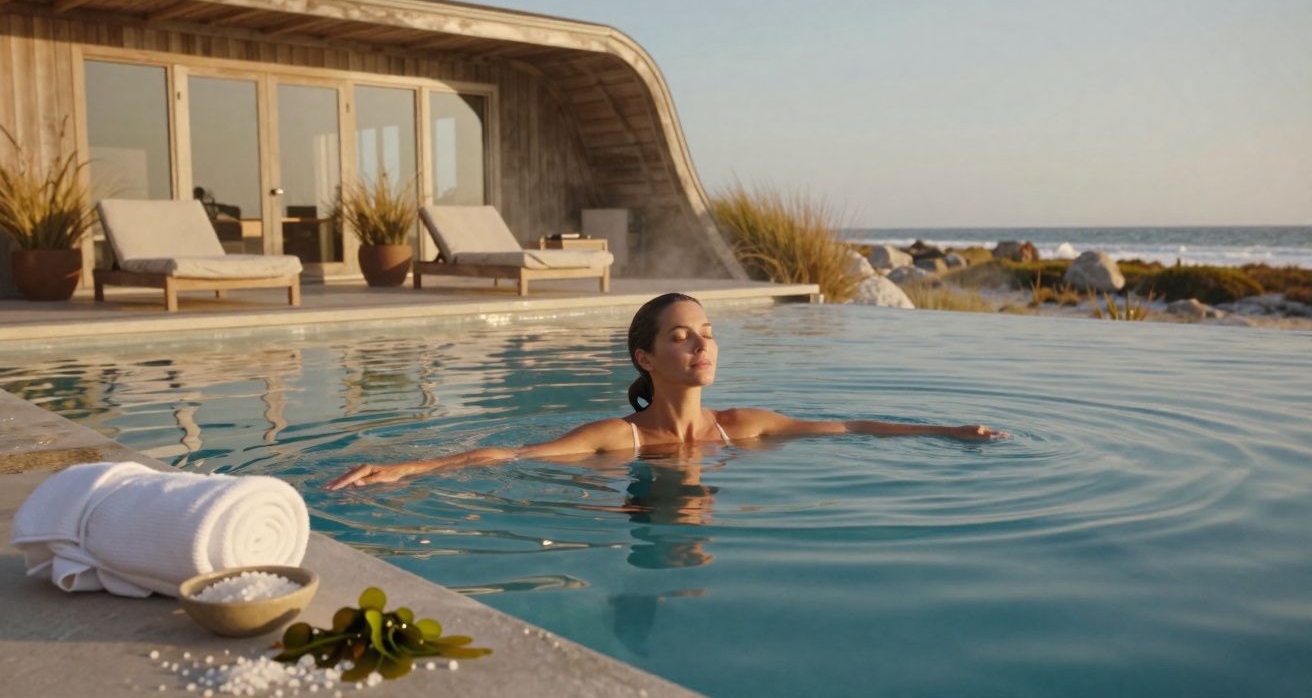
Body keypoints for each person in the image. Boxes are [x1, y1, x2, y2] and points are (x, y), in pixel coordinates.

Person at [325, 292, 1006, 491]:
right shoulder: (616, 438)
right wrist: (410, 467)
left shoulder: (742, 427)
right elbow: (509, 456)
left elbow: (851, 428)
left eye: (707, 332)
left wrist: (946, 434)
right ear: (645, 356)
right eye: (681, 336)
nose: (701, 344)